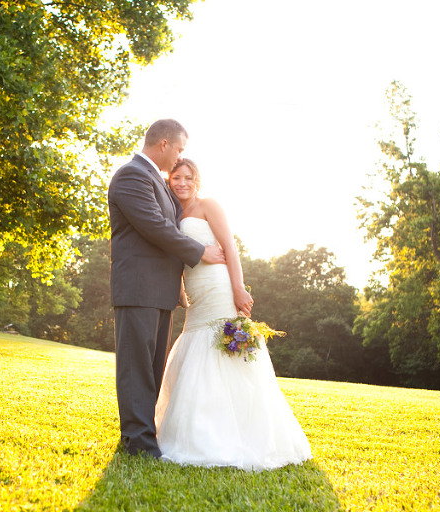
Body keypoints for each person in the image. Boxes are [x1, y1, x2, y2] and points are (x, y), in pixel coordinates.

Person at [155, 158, 312, 471]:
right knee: (196, 346)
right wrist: (180, 289)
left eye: (188, 177)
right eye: (176, 178)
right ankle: (200, 433)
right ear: (169, 181)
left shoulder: (208, 206)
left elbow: (230, 247)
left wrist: (239, 289)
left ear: (197, 180)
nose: (182, 183)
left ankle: (244, 436)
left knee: (226, 354)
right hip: (197, 296)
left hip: (220, 287)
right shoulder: (171, 213)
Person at [108, 120, 226, 458]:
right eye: (178, 149)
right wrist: (200, 251)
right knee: (136, 367)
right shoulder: (131, 176)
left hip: (160, 292)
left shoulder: (157, 182)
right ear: (163, 143)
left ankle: (146, 436)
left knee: (152, 369)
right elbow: (155, 227)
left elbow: (172, 221)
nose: (179, 158)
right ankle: (138, 444)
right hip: (138, 288)